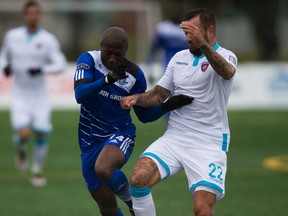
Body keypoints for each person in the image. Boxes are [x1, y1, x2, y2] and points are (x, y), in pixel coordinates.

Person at [120, 8, 237, 216]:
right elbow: (159, 94)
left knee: (202, 209)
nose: (188, 38)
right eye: (185, 33)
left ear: (210, 31)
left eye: (192, 32)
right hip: (175, 138)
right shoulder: (178, 58)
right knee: (138, 179)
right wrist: (136, 98)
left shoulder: (226, 56)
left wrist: (203, 44)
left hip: (208, 143)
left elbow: (226, 72)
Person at [73, 26, 192, 216]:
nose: (112, 58)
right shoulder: (89, 60)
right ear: (101, 46)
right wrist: (108, 79)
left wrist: (167, 106)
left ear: (125, 52)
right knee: (107, 208)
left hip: (119, 133)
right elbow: (80, 94)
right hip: (89, 141)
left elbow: (144, 117)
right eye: (108, 52)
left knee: (103, 168)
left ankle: (133, 204)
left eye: (117, 54)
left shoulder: (135, 76)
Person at [0, 0, 67, 187]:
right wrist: (5, 67)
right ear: (24, 16)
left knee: (40, 132)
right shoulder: (13, 36)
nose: (33, 16)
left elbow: (60, 63)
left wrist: (42, 69)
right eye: (30, 13)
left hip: (39, 95)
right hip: (20, 93)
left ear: (40, 16)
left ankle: (36, 171)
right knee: (23, 133)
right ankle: (21, 150)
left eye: (36, 13)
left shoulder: (48, 39)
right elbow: (4, 56)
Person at [146, 4, 188, 85]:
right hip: (167, 66)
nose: (176, 15)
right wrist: (150, 68)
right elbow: (153, 49)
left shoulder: (187, 29)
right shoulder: (163, 28)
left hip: (185, 66)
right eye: (175, 13)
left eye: (178, 13)